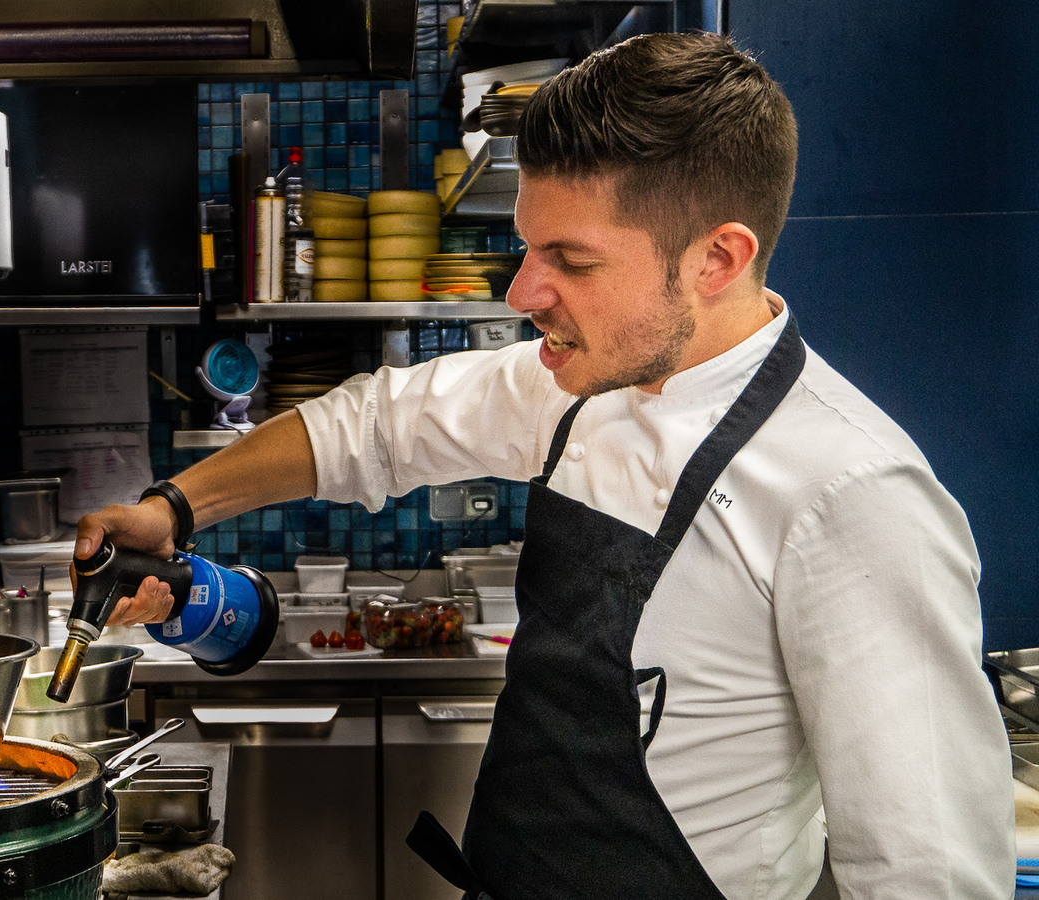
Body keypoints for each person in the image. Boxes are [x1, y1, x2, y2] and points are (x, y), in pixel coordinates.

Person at [74, 32, 1014, 900]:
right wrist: (177, 505)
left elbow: (923, 872)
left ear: (717, 261)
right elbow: (374, 425)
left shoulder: (853, 498)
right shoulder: (580, 378)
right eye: (528, 244)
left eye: (572, 258)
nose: (524, 293)